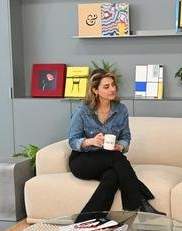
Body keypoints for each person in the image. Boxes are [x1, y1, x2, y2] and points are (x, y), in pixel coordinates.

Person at [67, 69, 164, 217]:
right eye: (106, 87)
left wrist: (121, 146)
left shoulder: (121, 109)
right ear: (95, 90)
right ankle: (139, 206)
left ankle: (87, 221)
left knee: (112, 176)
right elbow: (73, 141)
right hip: (82, 160)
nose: (112, 89)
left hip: (108, 159)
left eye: (113, 85)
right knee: (117, 158)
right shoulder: (82, 111)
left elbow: (126, 136)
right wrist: (91, 141)